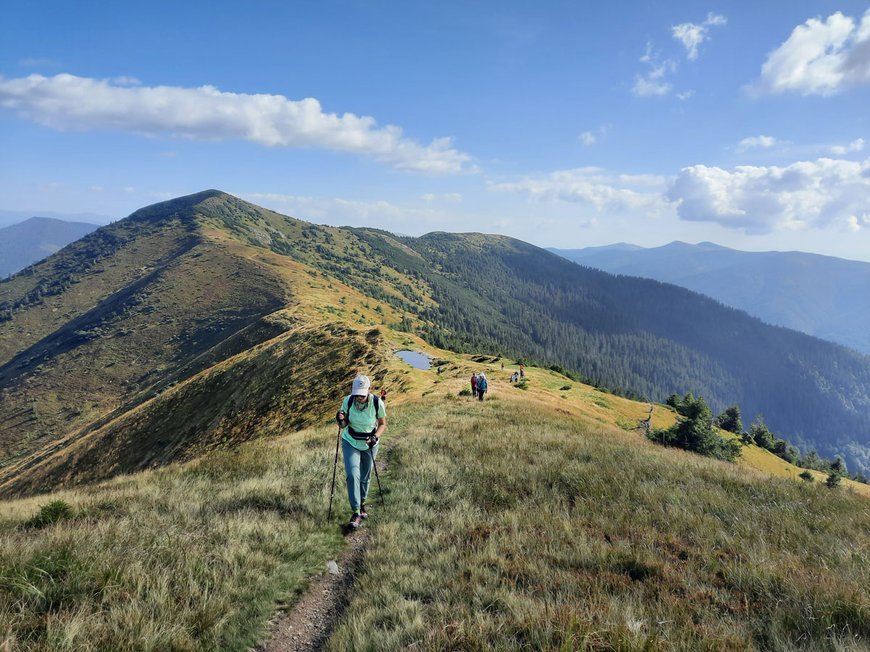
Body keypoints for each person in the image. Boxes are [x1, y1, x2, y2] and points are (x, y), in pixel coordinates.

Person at [336, 374, 386, 529]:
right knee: (352, 475)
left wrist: (375, 438)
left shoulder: (377, 403)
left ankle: (362, 503)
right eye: (357, 394)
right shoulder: (348, 401)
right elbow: (343, 425)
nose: (359, 397)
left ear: (369, 390)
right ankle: (356, 511)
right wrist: (340, 418)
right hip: (350, 441)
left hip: (369, 444)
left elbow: (383, 424)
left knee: (365, 476)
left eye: (362, 395)